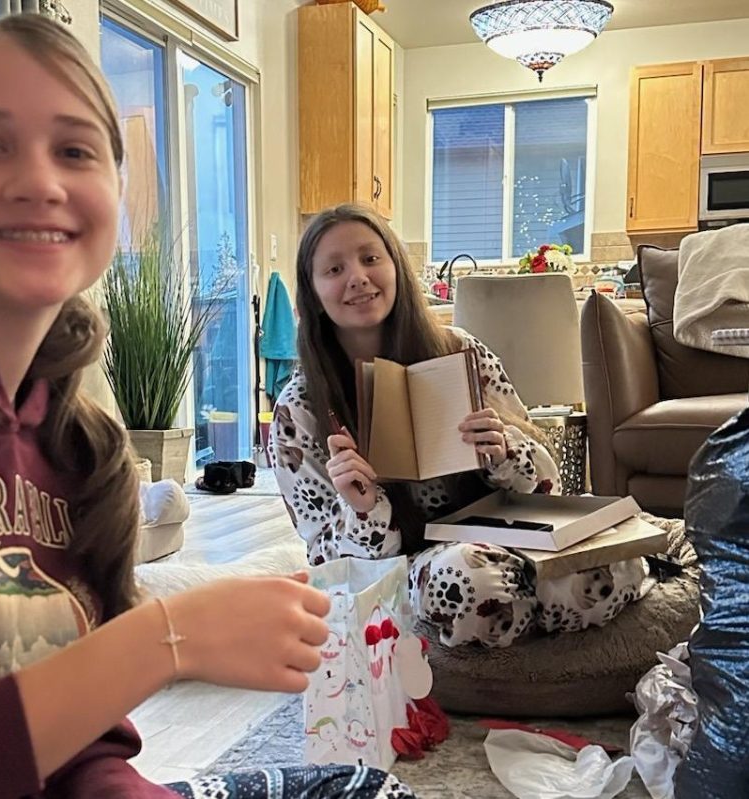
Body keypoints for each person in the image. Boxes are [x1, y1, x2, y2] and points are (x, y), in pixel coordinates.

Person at [0, 16, 416, 799]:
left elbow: (83, 754)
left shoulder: (73, 439)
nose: (40, 181)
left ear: (115, 194)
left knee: (365, 789)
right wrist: (163, 640)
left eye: (75, 150)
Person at [269, 203, 646, 650]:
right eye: (334, 268)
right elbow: (326, 561)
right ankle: (520, 613)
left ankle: (510, 617)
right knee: (468, 580)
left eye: (371, 258)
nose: (357, 277)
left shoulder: (461, 351)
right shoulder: (300, 409)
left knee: (621, 557)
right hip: (409, 571)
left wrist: (505, 451)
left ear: (395, 267)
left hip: (506, 539)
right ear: (311, 293)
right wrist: (366, 509)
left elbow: (547, 486)